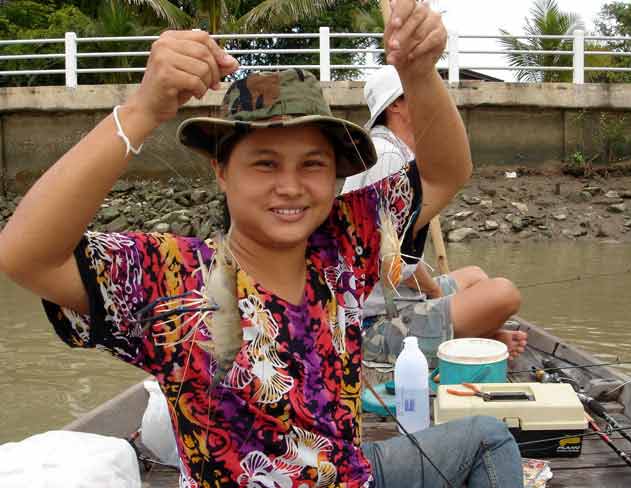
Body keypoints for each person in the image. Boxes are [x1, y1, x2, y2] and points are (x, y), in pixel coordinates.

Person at [0, 2, 523, 487]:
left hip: (350, 474)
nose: (291, 186)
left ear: (336, 175)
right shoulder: (176, 276)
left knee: (488, 436)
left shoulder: (345, 243)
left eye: (312, 164)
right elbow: (26, 254)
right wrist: (142, 109)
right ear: (222, 171)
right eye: (265, 163)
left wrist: (418, 71)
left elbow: (446, 171)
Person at [343, 65, 527, 358]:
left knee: (476, 276)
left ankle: (481, 334)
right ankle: (484, 337)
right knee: (503, 293)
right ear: (396, 105)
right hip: (374, 322)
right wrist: (434, 292)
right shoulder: (387, 157)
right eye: (420, 95)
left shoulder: (397, 150)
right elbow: (388, 258)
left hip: (400, 296)